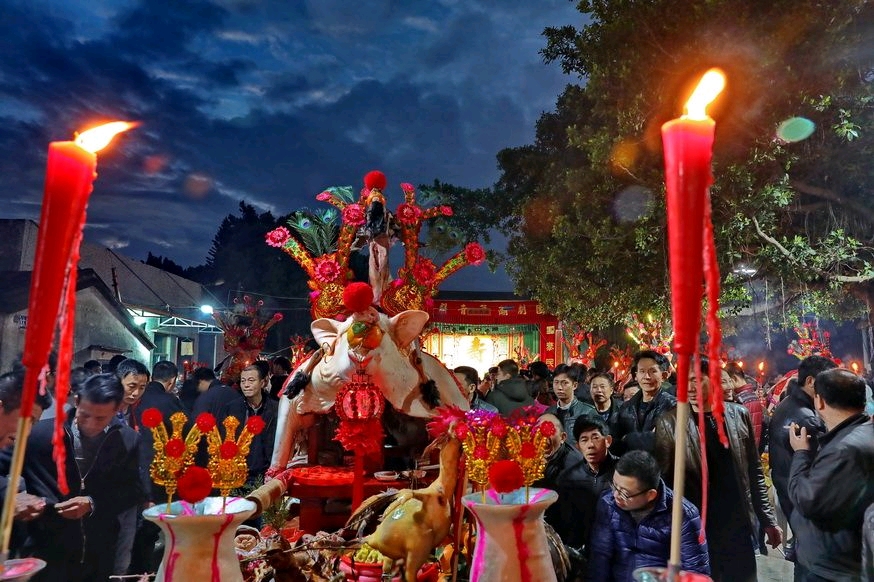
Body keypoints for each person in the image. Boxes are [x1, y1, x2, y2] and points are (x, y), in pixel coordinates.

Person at [1, 373, 144, 582]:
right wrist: (10, 496)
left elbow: (132, 490)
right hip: (45, 550)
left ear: (115, 411)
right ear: (76, 401)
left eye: (100, 418)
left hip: (99, 551)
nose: (90, 424)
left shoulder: (128, 441)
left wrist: (93, 503)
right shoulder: (40, 434)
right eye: (84, 415)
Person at [654, 357, 781, 582]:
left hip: (737, 521)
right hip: (697, 526)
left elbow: (753, 472)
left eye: (695, 380)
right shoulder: (669, 422)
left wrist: (768, 519)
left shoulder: (738, 414)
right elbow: (665, 483)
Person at [788, 368, 874, 581]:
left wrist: (800, 454)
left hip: (832, 567)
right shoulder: (862, 432)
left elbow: (806, 499)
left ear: (820, 402)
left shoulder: (844, 449)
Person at [588, 450, 710, 582]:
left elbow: (695, 571)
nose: (616, 496)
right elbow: (600, 556)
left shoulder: (682, 515)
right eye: (614, 486)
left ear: (651, 495)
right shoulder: (608, 503)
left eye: (624, 493)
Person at [769, 355, 837, 561]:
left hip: (789, 488)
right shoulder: (805, 416)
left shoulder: (788, 403)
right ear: (810, 381)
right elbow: (820, 465)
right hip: (804, 498)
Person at [128, 360, 185, 575]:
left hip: (136, 472)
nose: (135, 393)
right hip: (159, 472)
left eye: (140, 387)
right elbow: (183, 434)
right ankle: (147, 570)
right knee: (153, 526)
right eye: (132, 387)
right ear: (172, 381)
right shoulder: (170, 402)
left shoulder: (139, 401)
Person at [533, 413, 590, 549]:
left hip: (563, 538)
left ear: (563, 437)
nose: (543, 436)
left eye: (550, 431)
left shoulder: (573, 466)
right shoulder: (532, 455)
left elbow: (572, 518)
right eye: (539, 431)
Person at [570, 416, 618, 552]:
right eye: (584, 440)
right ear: (578, 446)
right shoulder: (571, 477)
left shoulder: (623, 471)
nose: (590, 445)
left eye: (596, 437)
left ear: (608, 441)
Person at [615, 351, 676, 453]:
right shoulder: (626, 408)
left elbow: (663, 443)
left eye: (653, 371)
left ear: (664, 375)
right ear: (636, 376)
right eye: (642, 371)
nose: (647, 377)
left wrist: (628, 439)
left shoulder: (673, 406)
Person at [226, 364, 279, 483]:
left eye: (251, 380)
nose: (246, 385)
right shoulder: (233, 408)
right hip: (238, 473)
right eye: (243, 381)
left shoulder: (276, 408)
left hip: (266, 474)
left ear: (262, 383)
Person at [547, 364, 597, 436]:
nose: (560, 387)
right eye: (556, 382)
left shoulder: (588, 412)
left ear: (574, 385)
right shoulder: (549, 413)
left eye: (565, 383)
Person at [725, 362, 765, 449]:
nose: (728, 386)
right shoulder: (753, 395)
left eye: (728, 381)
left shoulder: (740, 399)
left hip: (745, 450)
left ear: (734, 378)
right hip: (754, 448)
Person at [589, 373, 622, 440]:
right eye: (595, 387)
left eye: (602, 386)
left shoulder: (623, 409)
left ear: (611, 390)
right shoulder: (585, 410)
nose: (599, 390)